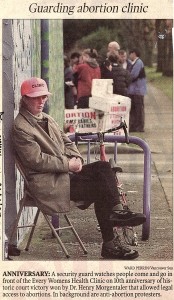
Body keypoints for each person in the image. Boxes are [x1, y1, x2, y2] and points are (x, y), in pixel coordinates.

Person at [12, 77, 146, 260]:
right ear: (24, 98)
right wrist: (68, 164)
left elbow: (68, 141)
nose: (41, 101)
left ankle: (117, 211)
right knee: (103, 189)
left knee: (103, 167)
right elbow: (36, 160)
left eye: (43, 96)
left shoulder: (47, 118)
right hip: (48, 184)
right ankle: (110, 243)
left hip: (66, 175)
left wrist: (77, 159)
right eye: (36, 97)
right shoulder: (21, 127)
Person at [127, 49, 147, 132]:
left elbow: (133, 75)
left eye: (130, 54)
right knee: (134, 109)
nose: (129, 56)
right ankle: (135, 126)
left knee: (138, 109)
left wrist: (126, 78)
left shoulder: (138, 63)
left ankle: (140, 126)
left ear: (134, 54)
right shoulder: (135, 62)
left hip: (138, 90)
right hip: (134, 90)